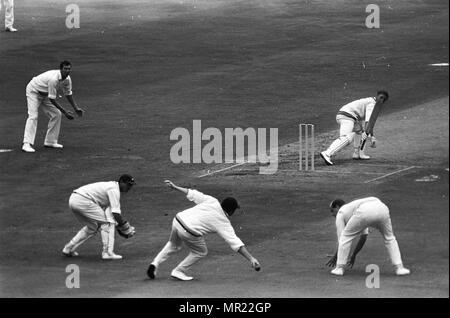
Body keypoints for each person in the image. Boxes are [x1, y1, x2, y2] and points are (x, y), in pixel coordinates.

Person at [146, 180, 261, 281]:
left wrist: (175, 187)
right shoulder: (223, 222)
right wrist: (251, 258)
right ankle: (178, 271)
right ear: (231, 211)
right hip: (189, 230)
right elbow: (235, 243)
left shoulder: (213, 201)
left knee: (173, 244)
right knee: (200, 252)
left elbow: (192, 194)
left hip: (177, 220)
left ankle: (155, 263)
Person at [326, 197, 410, 276]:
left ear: (337, 207)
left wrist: (336, 257)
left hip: (366, 210)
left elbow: (342, 240)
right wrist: (354, 254)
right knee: (390, 238)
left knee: (345, 237)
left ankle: (339, 268)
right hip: (382, 208)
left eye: (332, 211)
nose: (332, 214)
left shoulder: (341, 212)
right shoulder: (354, 210)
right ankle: (399, 268)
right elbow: (364, 236)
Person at [62, 174, 136, 260]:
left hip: (74, 200)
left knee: (93, 226)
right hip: (83, 200)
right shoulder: (114, 190)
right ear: (121, 182)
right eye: (128, 184)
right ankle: (108, 253)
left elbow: (109, 213)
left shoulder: (112, 187)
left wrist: (119, 225)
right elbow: (115, 214)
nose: (129, 187)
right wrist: (125, 227)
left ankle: (68, 248)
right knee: (108, 223)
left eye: (131, 185)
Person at [22, 60, 84, 153]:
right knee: (33, 116)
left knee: (56, 114)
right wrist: (65, 112)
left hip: (45, 93)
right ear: (61, 69)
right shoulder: (53, 79)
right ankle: (26, 144)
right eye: (65, 69)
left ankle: (50, 141)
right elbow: (52, 99)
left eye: (69, 69)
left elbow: (68, 94)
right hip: (34, 91)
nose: (67, 71)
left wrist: (76, 108)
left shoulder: (67, 79)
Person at [320, 91, 389, 165]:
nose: (381, 99)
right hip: (347, 116)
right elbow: (368, 123)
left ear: (384, 101)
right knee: (346, 138)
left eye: (383, 99)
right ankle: (327, 153)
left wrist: (369, 134)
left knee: (359, 131)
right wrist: (372, 137)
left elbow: (368, 124)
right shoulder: (372, 104)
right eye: (380, 97)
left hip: (350, 116)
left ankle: (358, 154)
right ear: (377, 96)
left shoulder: (372, 102)